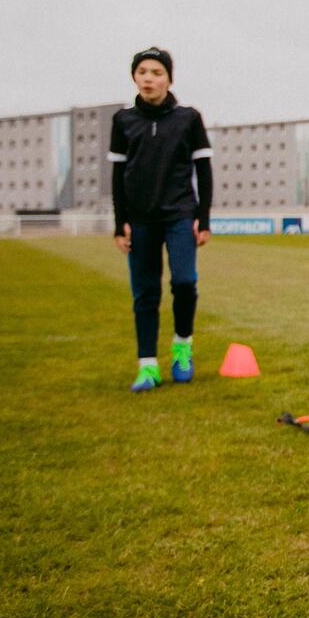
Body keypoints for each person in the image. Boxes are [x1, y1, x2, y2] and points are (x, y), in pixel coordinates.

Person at [109, 46, 213, 393]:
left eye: (156, 72)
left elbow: (204, 169)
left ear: (169, 78)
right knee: (145, 293)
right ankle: (148, 367)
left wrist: (204, 217)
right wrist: (119, 221)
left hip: (180, 214)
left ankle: (182, 347)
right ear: (135, 77)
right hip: (140, 218)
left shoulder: (188, 118)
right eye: (142, 72)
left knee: (184, 282)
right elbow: (118, 174)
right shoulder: (123, 121)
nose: (149, 78)